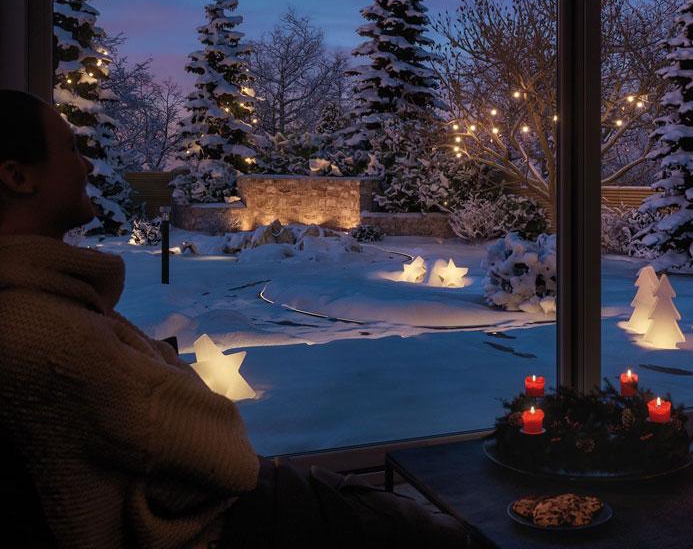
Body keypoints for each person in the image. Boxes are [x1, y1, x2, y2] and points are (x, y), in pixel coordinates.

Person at [0, 89, 468, 549]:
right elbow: (227, 454)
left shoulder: (51, 302)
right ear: (17, 176)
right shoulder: (48, 335)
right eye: (70, 149)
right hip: (232, 526)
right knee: (426, 534)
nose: (86, 165)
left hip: (245, 510)